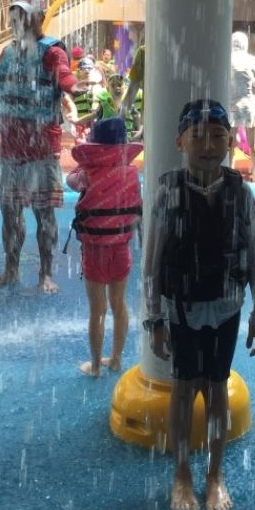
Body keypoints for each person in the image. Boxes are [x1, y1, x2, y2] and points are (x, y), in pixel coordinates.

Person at [143, 99, 255, 510]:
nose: (209, 145)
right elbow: (152, 261)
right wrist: (153, 319)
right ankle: (181, 474)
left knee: (216, 389)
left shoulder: (240, 193)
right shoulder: (169, 191)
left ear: (231, 141)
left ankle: (215, 475)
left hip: (227, 308)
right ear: (180, 141)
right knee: (182, 390)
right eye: (198, 136)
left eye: (218, 136)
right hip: (182, 309)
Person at [0, 0, 89, 292]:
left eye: (25, 16)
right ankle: (10, 270)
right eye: (15, 16)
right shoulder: (8, 53)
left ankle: (46, 274)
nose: (19, 22)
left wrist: (74, 86)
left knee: (44, 213)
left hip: (41, 152)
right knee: (9, 213)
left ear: (40, 17)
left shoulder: (52, 52)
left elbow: (64, 75)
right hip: (11, 151)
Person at [66, 117, 142, 376]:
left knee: (97, 310)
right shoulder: (131, 173)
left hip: (94, 250)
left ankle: (97, 365)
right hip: (121, 248)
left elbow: (70, 181)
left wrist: (86, 162)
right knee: (119, 305)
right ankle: (117, 359)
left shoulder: (87, 174)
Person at [228, 31, 255, 182]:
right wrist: (251, 82)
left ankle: (230, 173)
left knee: (230, 143)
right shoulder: (253, 59)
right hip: (249, 104)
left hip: (232, 105)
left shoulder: (227, 58)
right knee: (253, 142)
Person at [122, 43, 145, 138]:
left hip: (151, 118)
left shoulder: (143, 52)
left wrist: (119, 119)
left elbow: (132, 90)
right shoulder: (143, 52)